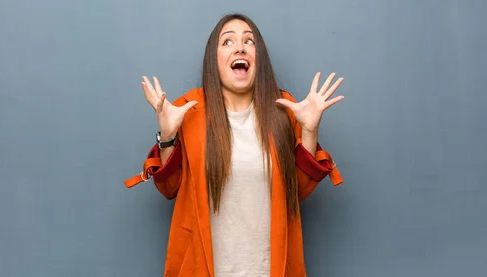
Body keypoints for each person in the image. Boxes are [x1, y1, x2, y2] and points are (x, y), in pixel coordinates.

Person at [124, 13, 344, 277]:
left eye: (249, 41)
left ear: (258, 58)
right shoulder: (188, 110)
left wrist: (309, 130)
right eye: (227, 42)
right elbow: (169, 189)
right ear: (213, 60)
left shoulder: (284, 109)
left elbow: (297, 193)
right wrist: (168, 135)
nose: (240, 47)